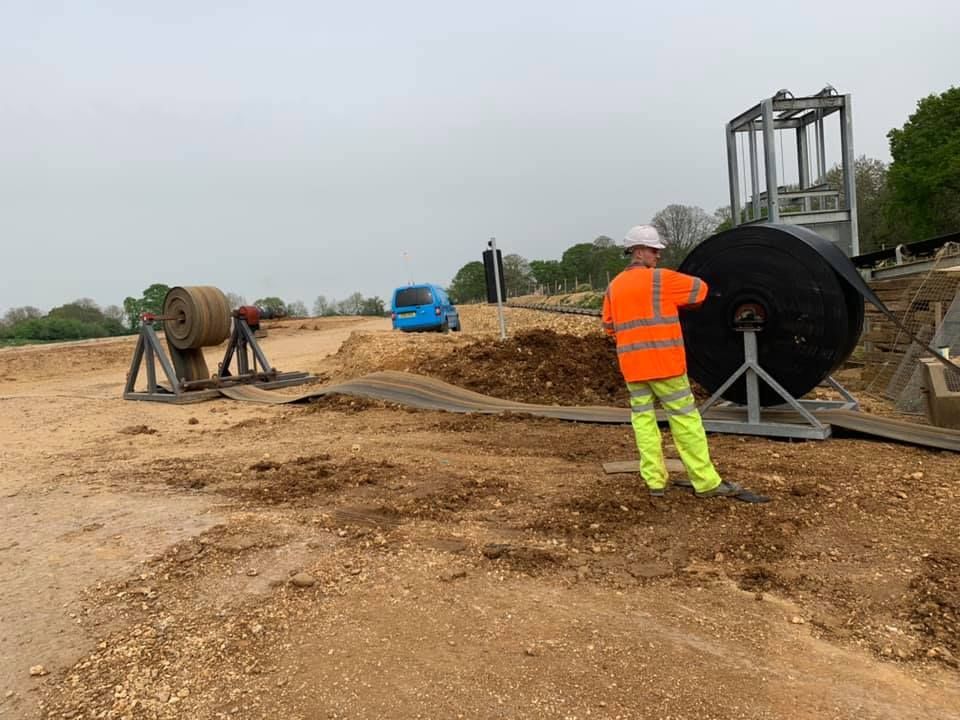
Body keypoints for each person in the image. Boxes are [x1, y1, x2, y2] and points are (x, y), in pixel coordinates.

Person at [602, 225, 764, 502]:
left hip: (633, 369)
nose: (658, 256)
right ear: (639, 251)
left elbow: (608, 327)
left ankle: (655, 482)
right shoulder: (661, 280)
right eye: (654, 250)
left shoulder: (614, 286)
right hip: (666, 366)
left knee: (643, 422)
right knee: (686, 421)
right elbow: (700, 292)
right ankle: (705, 481)